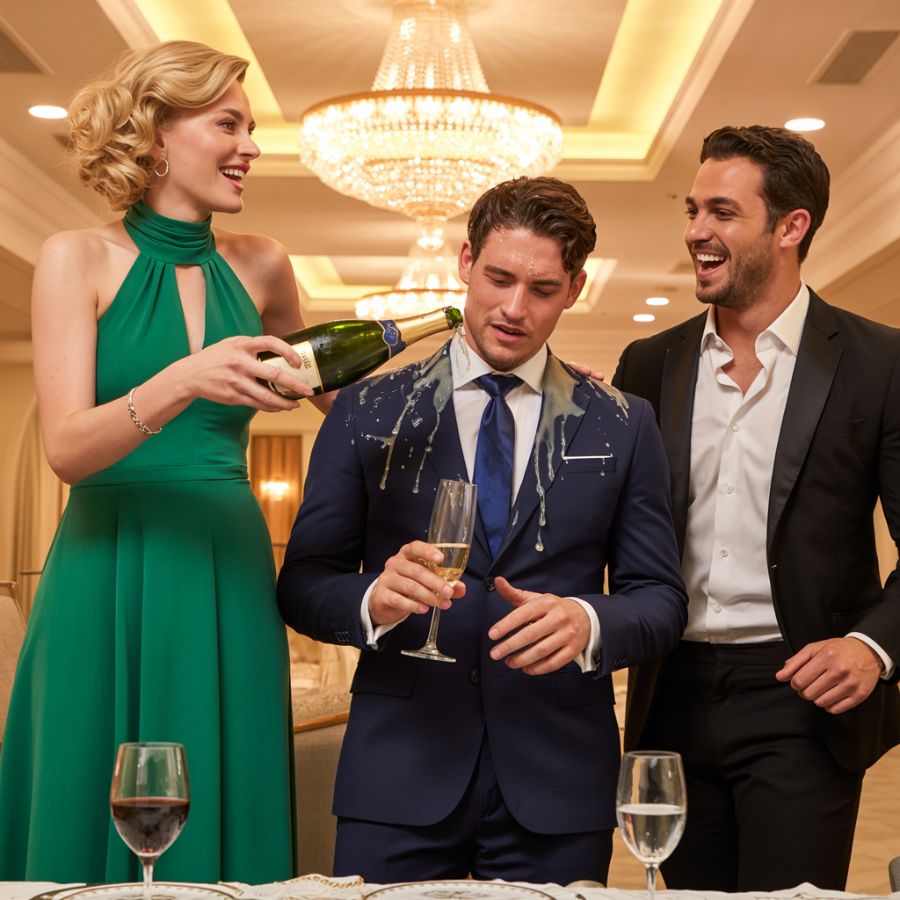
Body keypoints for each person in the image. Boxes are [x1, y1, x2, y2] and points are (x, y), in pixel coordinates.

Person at [277, 175, 688, 884]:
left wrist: (589, 621)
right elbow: (303, 583)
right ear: (466, 262)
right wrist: (372, 599)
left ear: (576, 288)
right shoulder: (367, 409)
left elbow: (660, 599)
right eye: (498, 278)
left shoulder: (623, 421)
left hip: (559, 778)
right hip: (397, 772)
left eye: (543, 289)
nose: (514, 308)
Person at [0, 41, 329, 883]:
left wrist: (483, 362)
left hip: (226, 564)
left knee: (223, 785)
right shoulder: (75, 257)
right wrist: (183, 380)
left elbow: (341, 401)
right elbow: (67, 450)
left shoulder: (263, 263)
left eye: (251, 128)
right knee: (86, 785)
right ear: (154, 134)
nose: (251, 146)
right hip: (104, 564)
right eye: (228, 124)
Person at [613, 125, 900, 892]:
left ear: (790, 227)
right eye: (692, 210)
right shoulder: (648, 363)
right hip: (670, 695)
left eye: (722, 212)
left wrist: (871, 647)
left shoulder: (881, 363)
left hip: (801, 702)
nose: (695, 232)